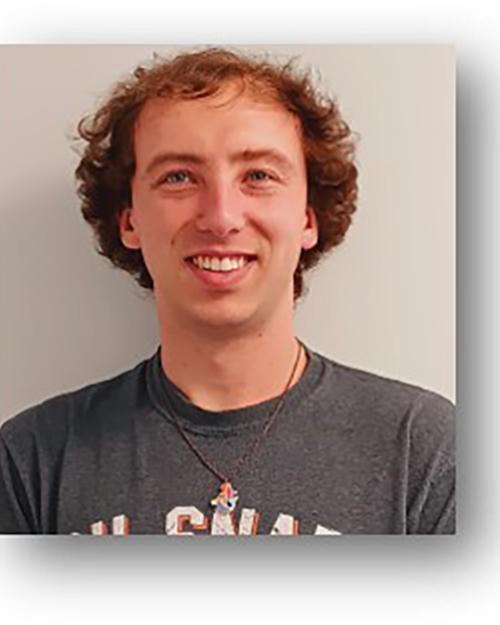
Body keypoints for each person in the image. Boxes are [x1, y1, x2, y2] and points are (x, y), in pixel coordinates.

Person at [0, 47, 455, 535]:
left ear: (308, 218)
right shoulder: (32, 461)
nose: (220, 217)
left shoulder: (424, 452)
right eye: (178, 177)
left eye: (258, 176)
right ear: (129, 219)